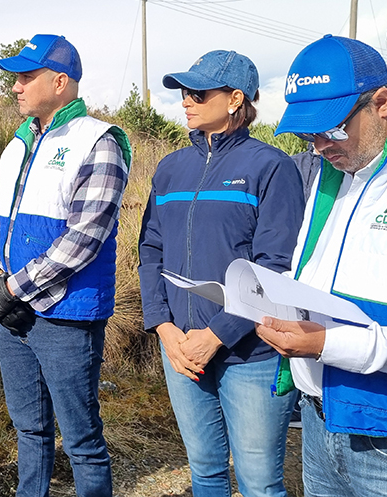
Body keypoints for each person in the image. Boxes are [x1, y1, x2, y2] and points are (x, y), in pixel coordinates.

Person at [256, 34, 387, 497]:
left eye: (332, 129)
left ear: (382, 102)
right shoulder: (336, 173)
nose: (320, 146)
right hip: (322, 426)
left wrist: (332, 344)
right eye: (308, 135)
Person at [138, 50, 305, 497]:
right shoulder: (171, 167)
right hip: (181, 350)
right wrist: (164, 327)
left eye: (197, 92)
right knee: (205, 471)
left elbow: (275, 266)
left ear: (235, 99)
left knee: (259, 481)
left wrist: (215, 335)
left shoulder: (271, 166)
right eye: (183, 92)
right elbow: (151, 247)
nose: (185, 101)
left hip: (252, 354)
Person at [0, 34, 131, 497]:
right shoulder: (17, 144)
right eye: (15, 78)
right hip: (12, 311)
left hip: (67, 316)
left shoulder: (98, 142)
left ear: (60, 82)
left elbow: (84, 238)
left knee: (82, 441)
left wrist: (15, 289)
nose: (16, 87)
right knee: (29, 431)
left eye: (27, 77)